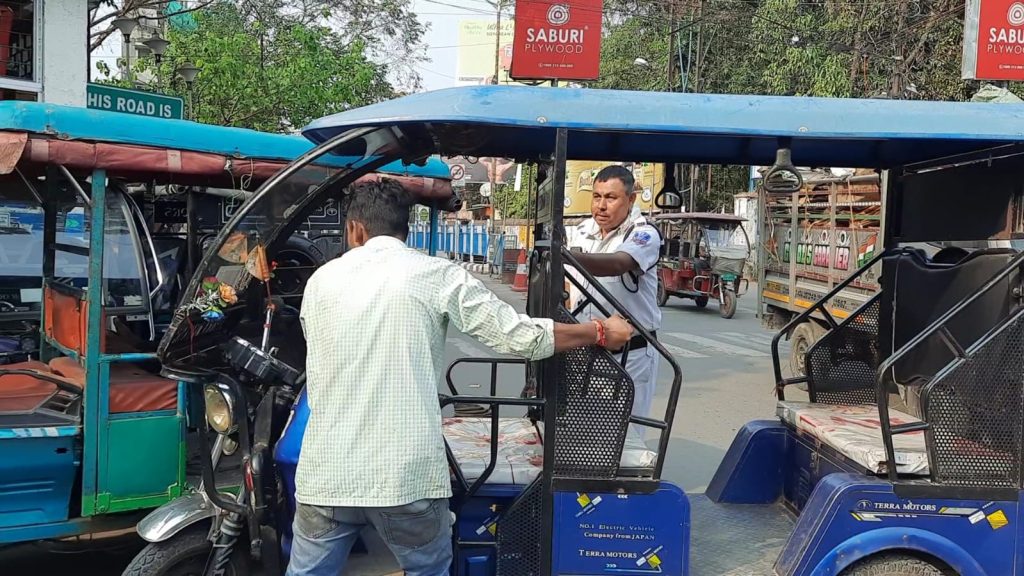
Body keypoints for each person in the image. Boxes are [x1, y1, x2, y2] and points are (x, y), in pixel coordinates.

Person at [287, 179, 633, 576]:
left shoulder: (320, 281)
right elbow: (517, 336)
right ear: (405, 230)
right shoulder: (435, 274)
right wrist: (598, 331)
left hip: (325, 475)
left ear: (354, 230)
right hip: (404, 477)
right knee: (429, 570)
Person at [566, 165, 662, 419]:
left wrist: (564, 255)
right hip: (586, 350)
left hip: (630, 356)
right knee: (585, 429)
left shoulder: (644, 234)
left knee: (624, 434)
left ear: (630, 200)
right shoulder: (582, 231)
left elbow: (619, 263)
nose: (601, 206)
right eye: (597, 196)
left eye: (611, 197)